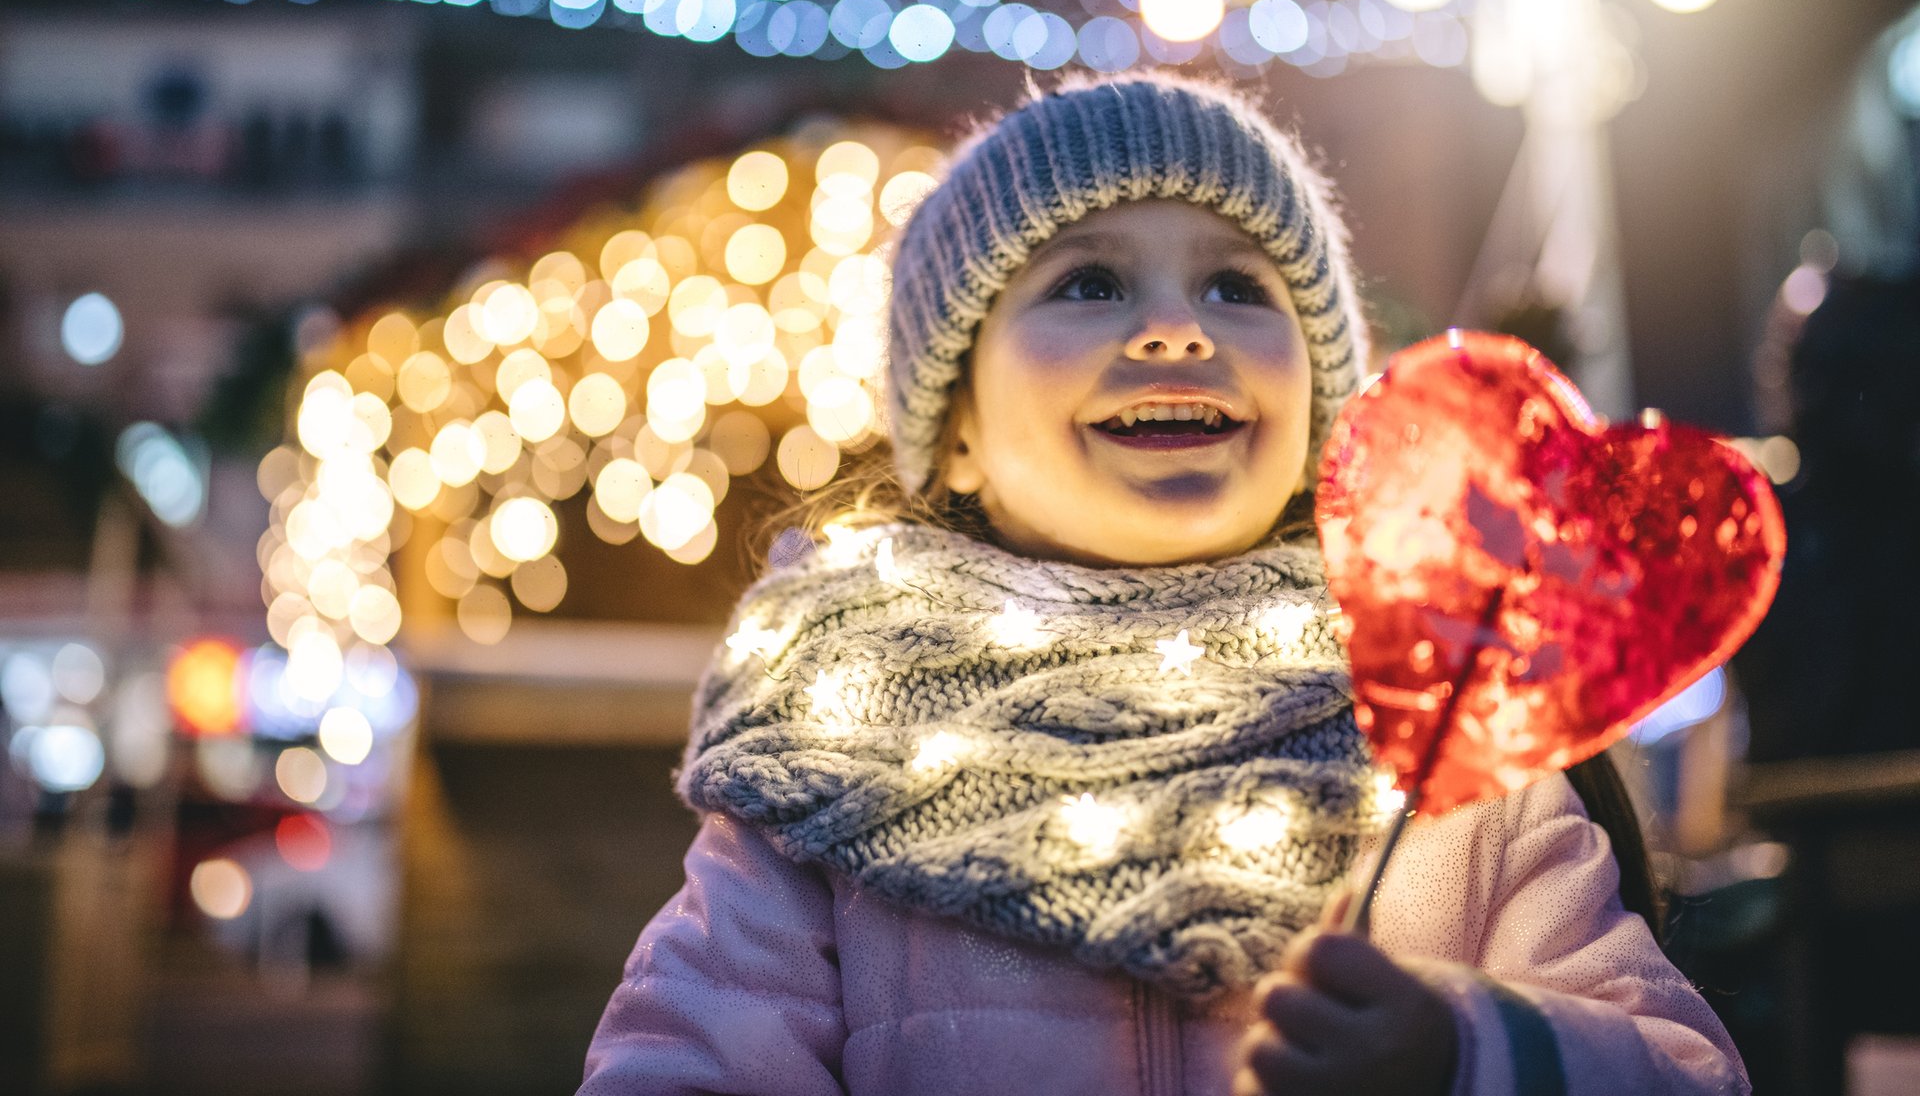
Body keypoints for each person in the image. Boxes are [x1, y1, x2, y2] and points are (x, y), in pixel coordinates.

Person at [578, 73, 1749, 1096]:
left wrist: (1457, 1052)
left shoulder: (1446, 737)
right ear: (959, 433)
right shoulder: (828, 769)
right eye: (1088, 282)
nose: (1180, 330)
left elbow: (1682, 1068)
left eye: (1241, 286)